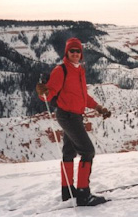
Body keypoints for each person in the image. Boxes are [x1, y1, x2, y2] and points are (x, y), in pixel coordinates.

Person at [36, 37, 111, 206]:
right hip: (68, 116)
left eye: (78, 51)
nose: (75, 54)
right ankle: (84, 195)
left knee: (69, 153)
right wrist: (42, 92)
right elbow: (48, 94)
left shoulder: (79, 71)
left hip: (75, 115)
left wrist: (98, 107)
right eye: (72, 51)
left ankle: (68, 191)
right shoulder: (61, 70)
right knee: (88, 151)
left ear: (81, 54)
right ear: (67, 53)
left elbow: (83, 97)